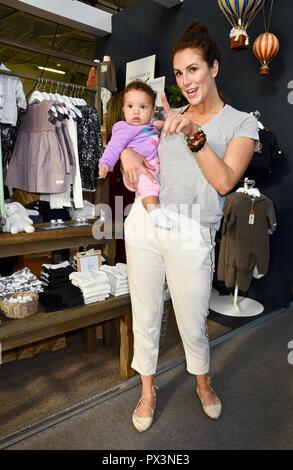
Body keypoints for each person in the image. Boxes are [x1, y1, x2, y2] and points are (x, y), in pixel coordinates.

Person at [120, 21, 259, 432]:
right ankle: (147, 390)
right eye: (179, 73)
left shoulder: (240, 124)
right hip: (145, 223)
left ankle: (202, 381)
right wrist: (128, 154)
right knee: (145, 314)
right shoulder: (169, 116)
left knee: (191, 320)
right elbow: (128, 136)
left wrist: (196, 134)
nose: (186, 81)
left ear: (213, 68)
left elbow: (224, 181)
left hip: (192, 231)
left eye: (193, 70)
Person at [99, 80, 173, 230]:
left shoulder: (150, 127)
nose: (136, 111)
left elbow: (157, 130)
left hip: (153, 165)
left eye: (143, 107)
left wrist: (162, 125)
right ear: (124, 110)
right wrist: (105, 163)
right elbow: (113, 147)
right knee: (147, 185)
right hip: (138, 170)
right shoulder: (123, 128)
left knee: (154, 183)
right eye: (130, 106)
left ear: (152, 111)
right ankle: (154, 212)